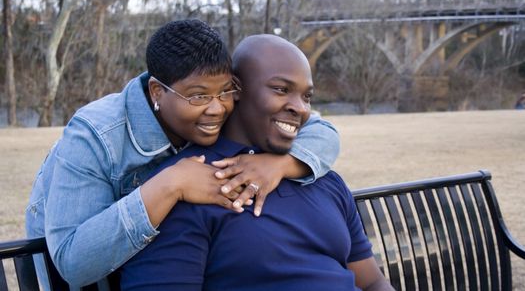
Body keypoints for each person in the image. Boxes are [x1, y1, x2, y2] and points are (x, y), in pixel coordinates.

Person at [25, 20, 340, 288]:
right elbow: (72, 262)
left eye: (226, 92)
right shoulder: (95, 134)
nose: (217, 108)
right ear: (158, 92)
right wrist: (170, 184)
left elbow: (321, 130)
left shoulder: (214, 104)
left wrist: (280, 165)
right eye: (199, 96)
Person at [120, 34, 392, 291]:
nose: (300, 108)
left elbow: (373, 283)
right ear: (234, 89)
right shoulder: (185, 187)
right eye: (281, 89)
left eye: (306, 96)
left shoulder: (321, 178)